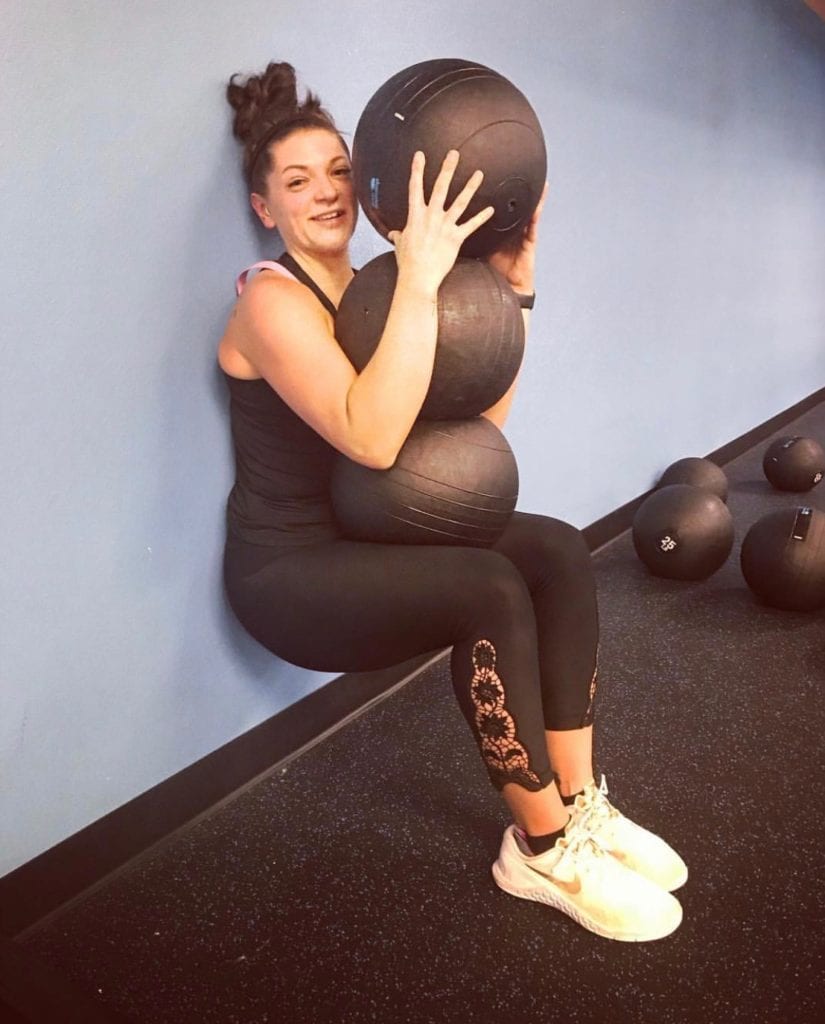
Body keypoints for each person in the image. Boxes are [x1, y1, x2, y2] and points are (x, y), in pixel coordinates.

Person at [219, 61, 687, 942]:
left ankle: (579, 801)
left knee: (550, 549)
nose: (324, 193)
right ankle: (542, 849)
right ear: (263, 207)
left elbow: (472, 430)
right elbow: (373, 439)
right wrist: (426, 280)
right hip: (290, 571)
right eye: (295, 180)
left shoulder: (376, 288)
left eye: (336, 172)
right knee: (486, 587)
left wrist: (514, 288)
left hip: (371, 530)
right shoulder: (269, 303)